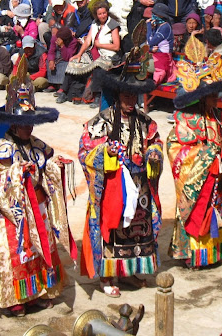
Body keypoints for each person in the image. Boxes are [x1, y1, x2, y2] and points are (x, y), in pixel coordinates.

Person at [0, 57, 71, 316]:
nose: (27, 127)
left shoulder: (38, 145)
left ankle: (39, 291)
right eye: (22, 123)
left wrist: (55, 167)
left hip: (39, 208)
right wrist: (17, 174)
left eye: (30, 122)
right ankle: (16, 298)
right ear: (11, 122)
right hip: (16, 213)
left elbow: (48, 164)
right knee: (17, 253)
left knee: (40, 249)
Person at [79, 36, 162, 297]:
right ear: (117, 94)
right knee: (113, 228)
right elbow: (85, 151)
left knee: (137, 230)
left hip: (140, 185)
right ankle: (108, 276)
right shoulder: (101, 122)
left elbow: (156, 142)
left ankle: (133, 270)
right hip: (115, 186)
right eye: (126, 95)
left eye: (134, 96)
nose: (130, 100)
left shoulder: (145, 121)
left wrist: (155, 155)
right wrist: (106, 153)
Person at [167, 34, 222, 269]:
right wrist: (207, 156)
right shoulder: (185, 120)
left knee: (214, 211)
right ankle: (192, 255)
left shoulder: (218, 117)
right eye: (210, 96)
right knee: (198, 212)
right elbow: (175, 150)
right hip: (199, 181)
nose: (215, 100)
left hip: (215, 179)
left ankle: (214, 254)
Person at [62, 0, 121, 106]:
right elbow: (88, 40)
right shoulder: (95, 24)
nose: (102, 16)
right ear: (96, 15)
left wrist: (100, 45)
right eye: (100, 14)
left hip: (108, 55)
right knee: (74, 62)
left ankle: (97, 96)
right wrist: (79, 54)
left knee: (99, 67)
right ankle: (64, 90)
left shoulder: (113, 25)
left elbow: (116, 46)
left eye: (104, 13)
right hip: (94, 53)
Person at [147, 2, 175, 85]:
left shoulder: (165, 28)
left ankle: (154, 83)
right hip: (156, 52)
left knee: (159, 69)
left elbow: (150, 41)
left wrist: (148, 26)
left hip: (163, 55)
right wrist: (152, 29)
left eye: (155, 14)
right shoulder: (158, 25)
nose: (153, 15)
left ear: (162, 16)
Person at [45, 25, 79, 93]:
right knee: (48, 61)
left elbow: (67, 56)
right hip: (56, 57)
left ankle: (62, 86)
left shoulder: (73, 41)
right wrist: (51, 60)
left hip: (65, 59)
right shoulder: (54, 38)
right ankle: (53, 83)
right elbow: (51, 51)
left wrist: (62, 46)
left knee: (66, 65)